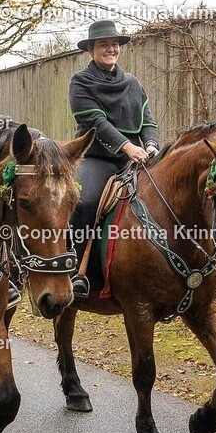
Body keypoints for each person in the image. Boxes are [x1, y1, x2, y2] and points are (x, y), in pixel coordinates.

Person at [67, 20, 160, 299]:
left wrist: (152, 144)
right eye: (103, 44)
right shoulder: (80, 82)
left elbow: (148, 119)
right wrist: (127, 147)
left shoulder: (133, 83)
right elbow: (95, 121)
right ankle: (74, 270)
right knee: (83, 203)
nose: (111, 49)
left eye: (114, 44)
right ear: (91, 50)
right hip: (98, 159)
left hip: (137, 159)